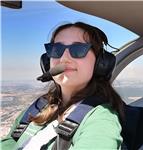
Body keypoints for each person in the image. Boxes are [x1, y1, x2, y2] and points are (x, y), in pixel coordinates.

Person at [1, 22, 124, 150]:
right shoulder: (39, 106)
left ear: (100, 64)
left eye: (78, 49)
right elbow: (10, 142)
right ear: (47, 62)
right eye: (56, 50)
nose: (64, 59)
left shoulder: (101, 120)